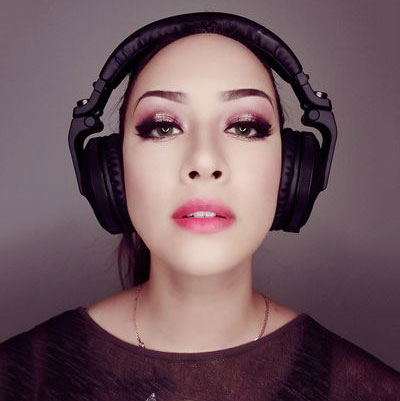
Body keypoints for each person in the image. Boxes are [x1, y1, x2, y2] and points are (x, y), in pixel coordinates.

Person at [1, 12, 399, 401]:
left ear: (293, 169)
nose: (204, 161)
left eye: (244, 126)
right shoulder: (17, 378)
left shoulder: (372, 391)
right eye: (163, 126)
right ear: (110, 169)